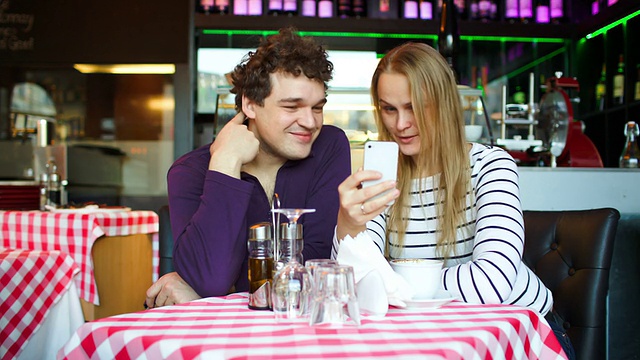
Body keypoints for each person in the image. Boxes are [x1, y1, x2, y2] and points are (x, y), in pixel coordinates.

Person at [331, 42, 575, 359]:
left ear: (443, 103)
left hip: (521, 336)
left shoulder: (491, 166)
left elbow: (492, 282)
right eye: (389, 109)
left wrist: (391, 282)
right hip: (434, 335)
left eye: (415, 107)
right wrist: (347, 224)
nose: (400, 124)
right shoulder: (383, 175)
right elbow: (352, 284)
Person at [145, 28, 351, 308]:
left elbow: (318, 263)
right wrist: (225, 163)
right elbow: (210, 277)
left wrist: (222, 290)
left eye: (317, 108)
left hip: (304, 326)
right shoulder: (189, 171)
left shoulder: (329, 146)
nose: (310, 122)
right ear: (251, 105)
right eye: (292, 107)